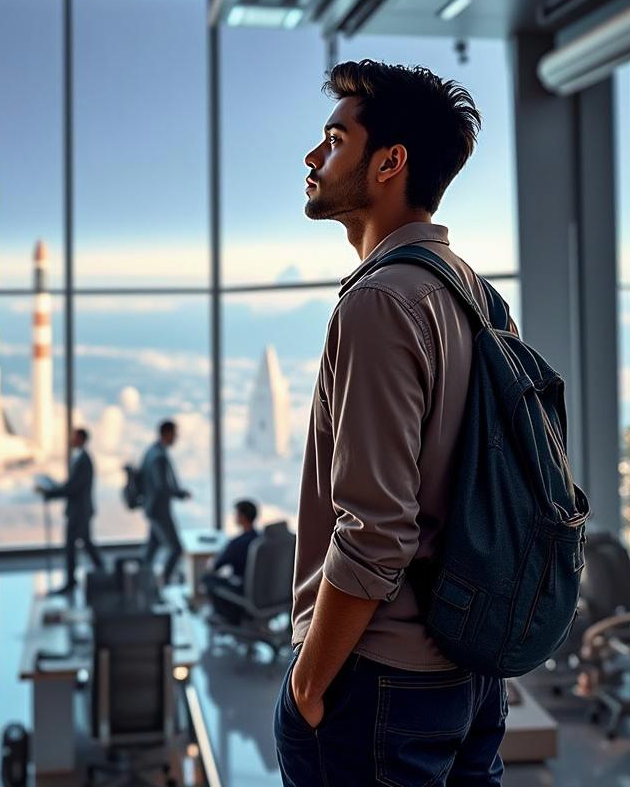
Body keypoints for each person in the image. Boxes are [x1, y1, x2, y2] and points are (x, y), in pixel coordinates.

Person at [276, 60, 509, 786]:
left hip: (379, 678)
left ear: (389, 163)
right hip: (469, 669)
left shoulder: (380, 302)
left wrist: (309, 683)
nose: (312, 157)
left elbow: (376, 530)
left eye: (334, 140)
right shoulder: (475, 294)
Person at [36, 427, 104, 596]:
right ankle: (99, 574)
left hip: (79, 512)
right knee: (83, 545)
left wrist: (51, 493)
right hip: (78, 511)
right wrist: (53, 488)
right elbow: (71, 485)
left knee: (77, 546)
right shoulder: (79, 458)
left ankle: (85, 578)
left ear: (81, 439)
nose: (71, 439)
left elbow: (74, 487)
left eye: (74, 436)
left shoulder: (84, 460)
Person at [140, 420, 191, 584]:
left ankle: (142, 583)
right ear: (167, 433)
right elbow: (161, 486)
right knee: (176, 548)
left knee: (152, 549)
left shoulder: (151, 451)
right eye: (174, 434)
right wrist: (180, 493)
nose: (176, 437)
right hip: (159, 510)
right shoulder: (159, 456)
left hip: (152, 507)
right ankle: (164, 582)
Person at [203, 499, 260, 625]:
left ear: (242, 517)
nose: (234, 517)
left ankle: (228, 618)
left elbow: (216, 566)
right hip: (264, 592)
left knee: (207, 578)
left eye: (236, 514)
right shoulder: (260, 539)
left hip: (244, 591)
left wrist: (211, 563)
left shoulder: (236, 543)